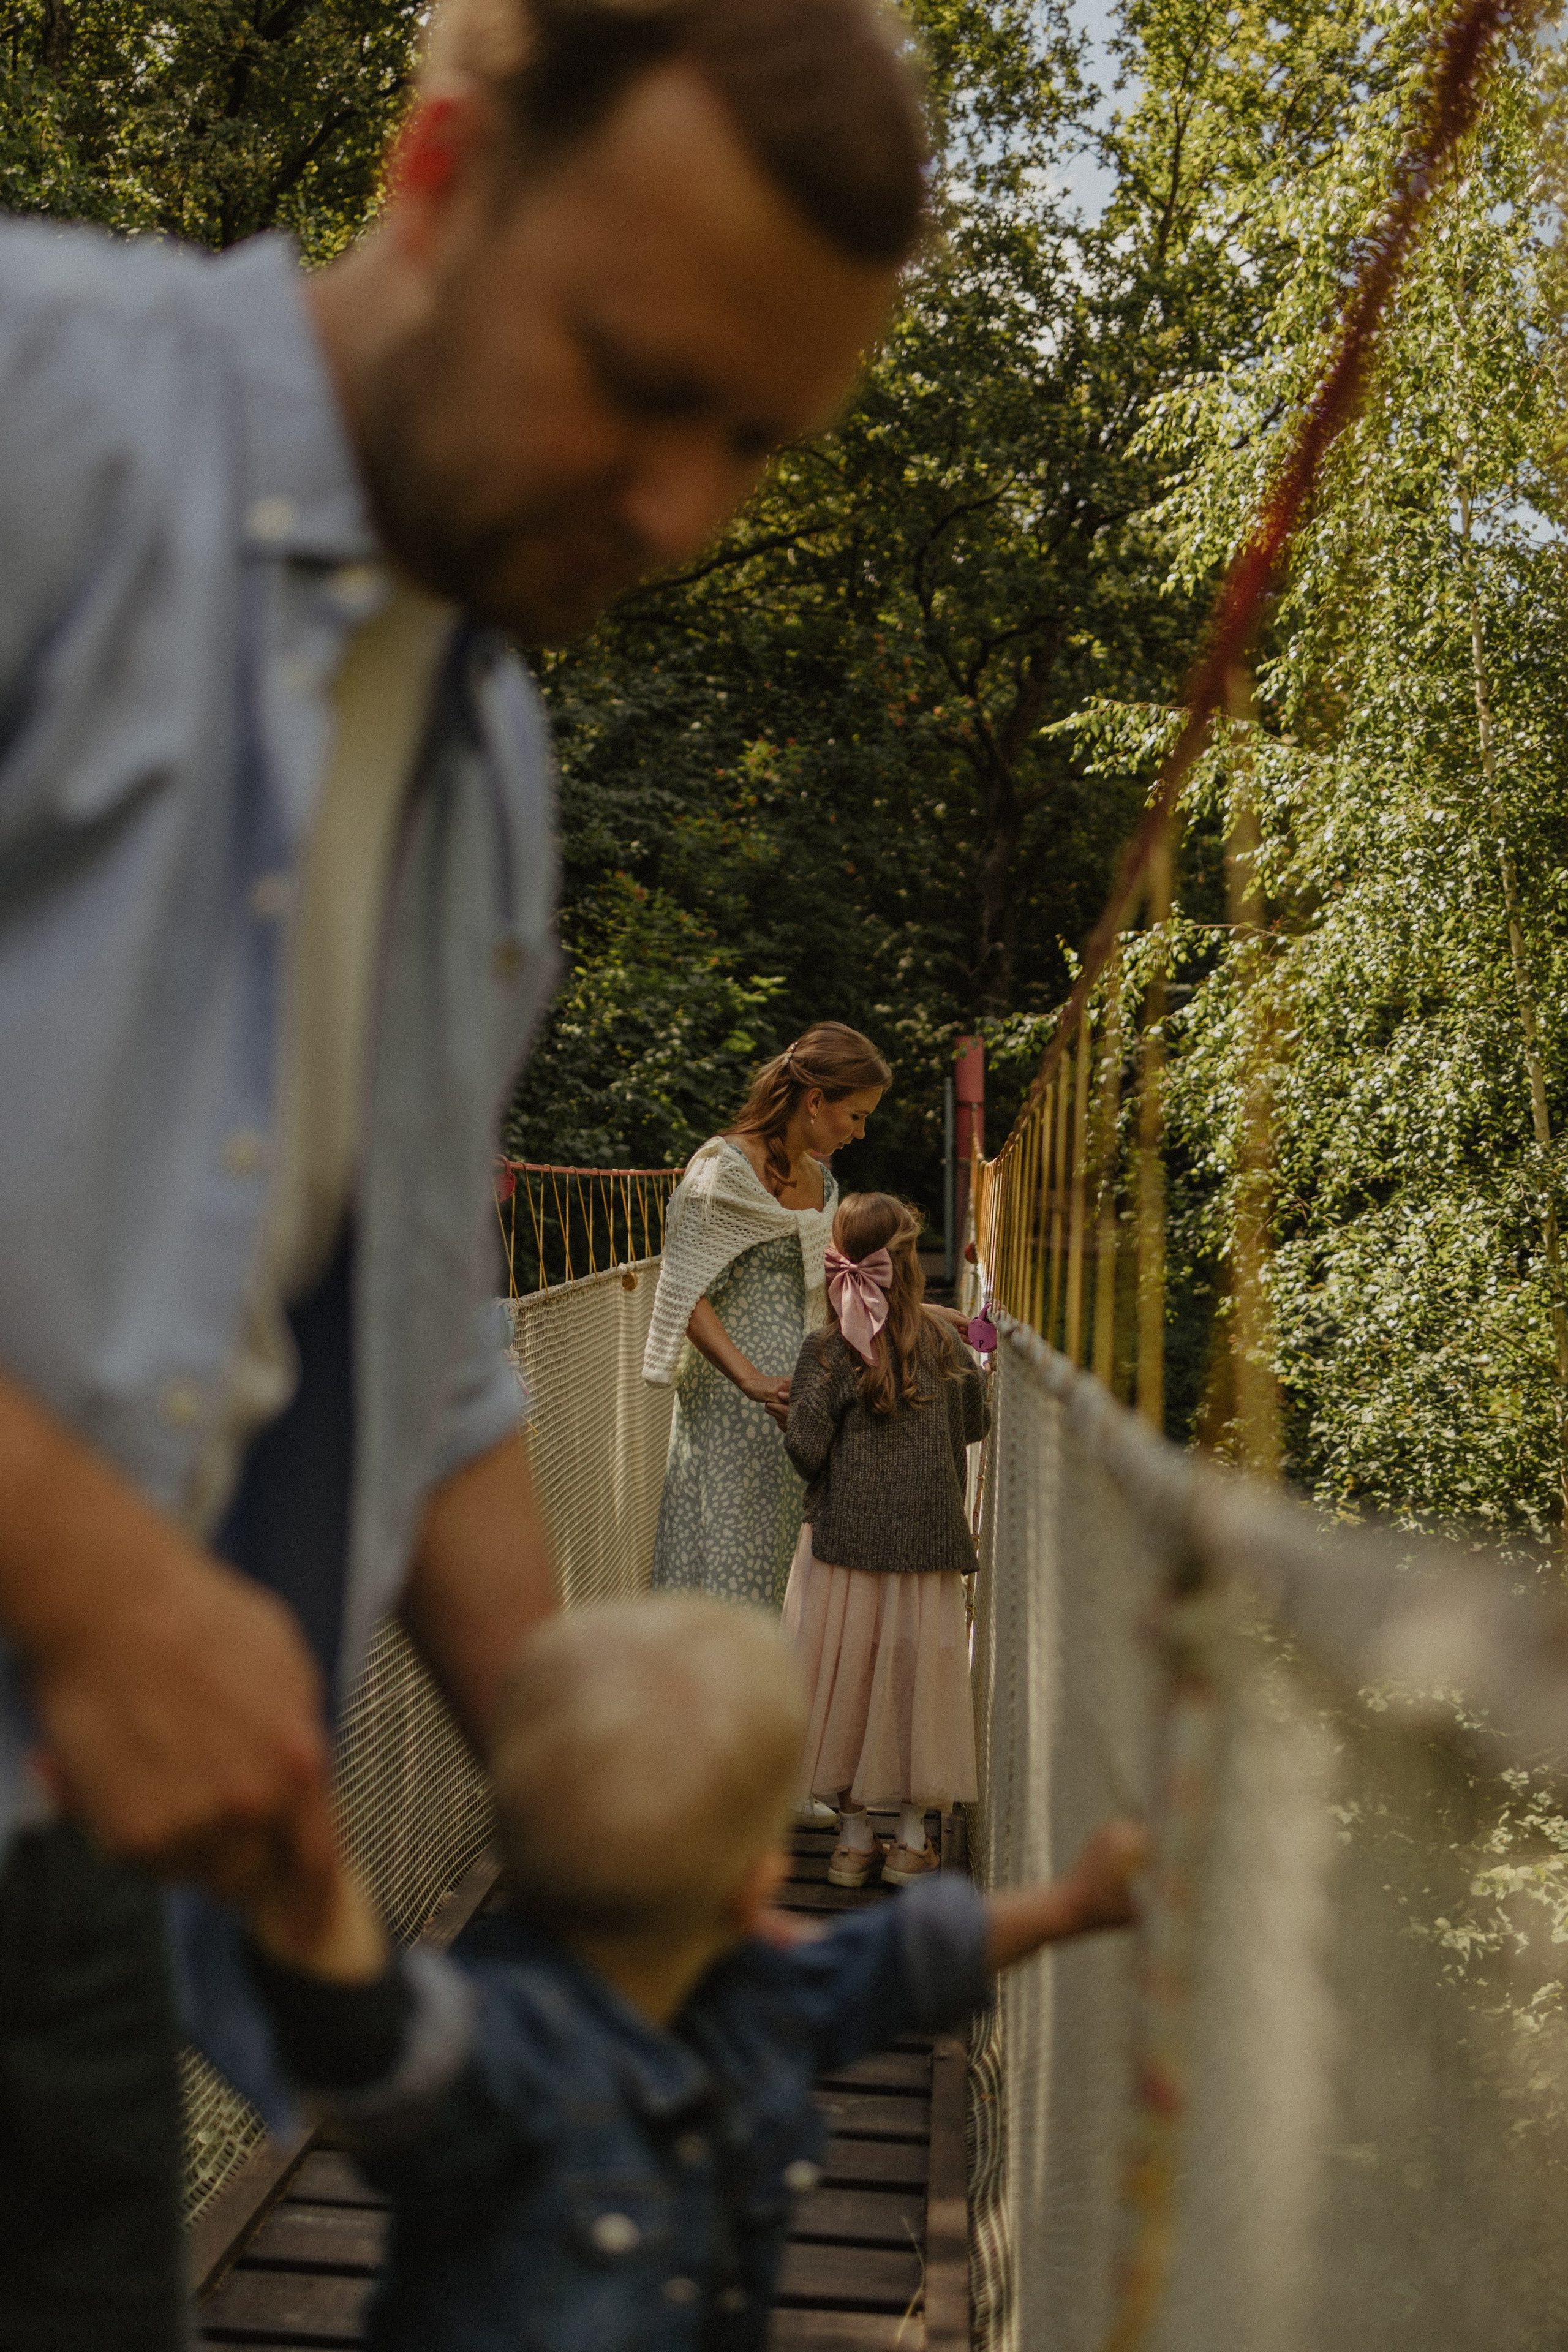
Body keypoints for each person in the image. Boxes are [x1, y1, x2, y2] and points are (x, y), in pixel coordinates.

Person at [0, 0, 927, 2336]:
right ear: (437, 176)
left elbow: (414, 1358)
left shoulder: (483, 754)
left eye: (749, 439)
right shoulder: (43, 420)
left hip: (62, 1906)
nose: (677, 507)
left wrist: (632, 1855)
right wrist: (101, 1584)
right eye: (635, 377)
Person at [239, 1595, 1146, 2351]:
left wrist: (1066, 1909)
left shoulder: (756, 1995)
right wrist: (1075, 1905)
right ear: (761, 1881)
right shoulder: (505, 2042)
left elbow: (900, 1960)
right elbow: (370, 2034)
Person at [643, 1025, 890, 1611]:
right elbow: (684, 1292)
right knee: (727, 1554)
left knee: (783, 1564)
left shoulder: (823, 1180)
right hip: (734, 1405)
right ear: (814, 1101)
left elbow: (839, 1285)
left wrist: (923, 1317)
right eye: (855, 1116)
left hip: (800, 1407)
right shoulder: (720, 1169)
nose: (860, 1132)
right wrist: (749, 1378)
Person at [782, 1193, 987, 1891]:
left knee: (844, 1682)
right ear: (907, 1266)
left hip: (842, 1550)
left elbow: (807, 1450)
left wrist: (805, 1397)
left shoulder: (826, 1349)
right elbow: (975, 1424)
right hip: (926, 1552)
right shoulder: (945, 1345)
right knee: (911, 1684)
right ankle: (907, 1842)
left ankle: (849, 1842)